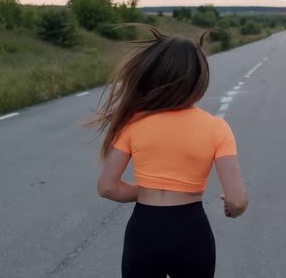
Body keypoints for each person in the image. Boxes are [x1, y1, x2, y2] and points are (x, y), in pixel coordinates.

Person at [86, 24, 248, 278]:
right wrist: (233, 208)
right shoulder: (217, 129)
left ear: (153, 76)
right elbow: (237, 200)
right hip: (191, 232)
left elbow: (107, 187)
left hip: (144, 231)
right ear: (199, 79)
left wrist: (148, 190)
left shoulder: (134, 124)